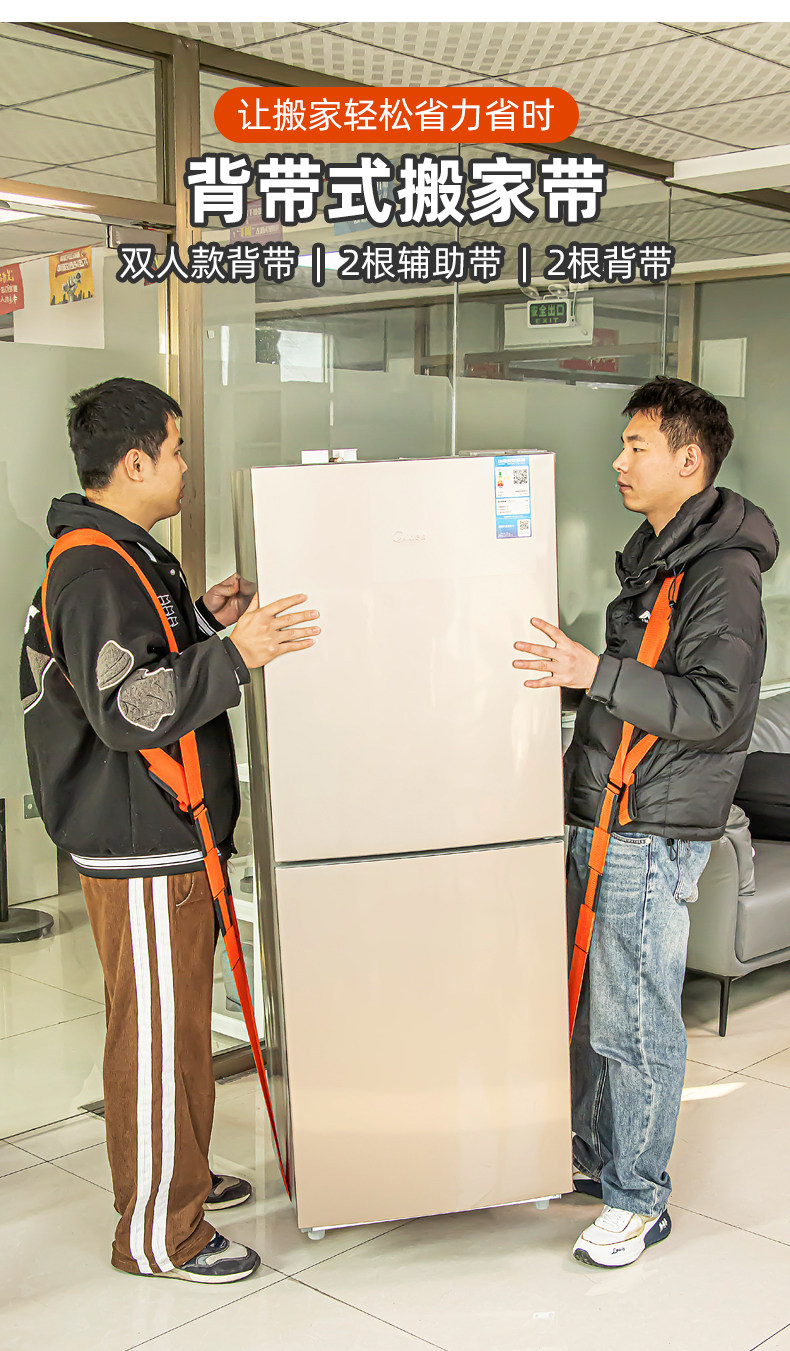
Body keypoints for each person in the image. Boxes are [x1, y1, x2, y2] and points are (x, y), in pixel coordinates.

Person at [20, 377, 321, 1283]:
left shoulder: (133, 558)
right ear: (134, 461)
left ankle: (179, 1177)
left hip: (168, 835)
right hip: (139, 841)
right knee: (154, 1037)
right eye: (177, 448)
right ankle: (158, 1229)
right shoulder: (92, 569)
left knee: (180, 1026)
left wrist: (204, 623)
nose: (186, 465)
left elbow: (147, 657)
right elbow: (126, 706)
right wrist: (234, 654)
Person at [513, 375, 778, 1268]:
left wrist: (593, 672)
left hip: (651, 828)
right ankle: (600, 1157)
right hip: (608, 812)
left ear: (689, 459)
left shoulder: (722, 574)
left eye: (637, 446)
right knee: (597, 1008)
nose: (619, 461)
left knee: (634, 1019)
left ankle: (638, 1197)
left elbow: (714, 708)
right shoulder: (659, 558)